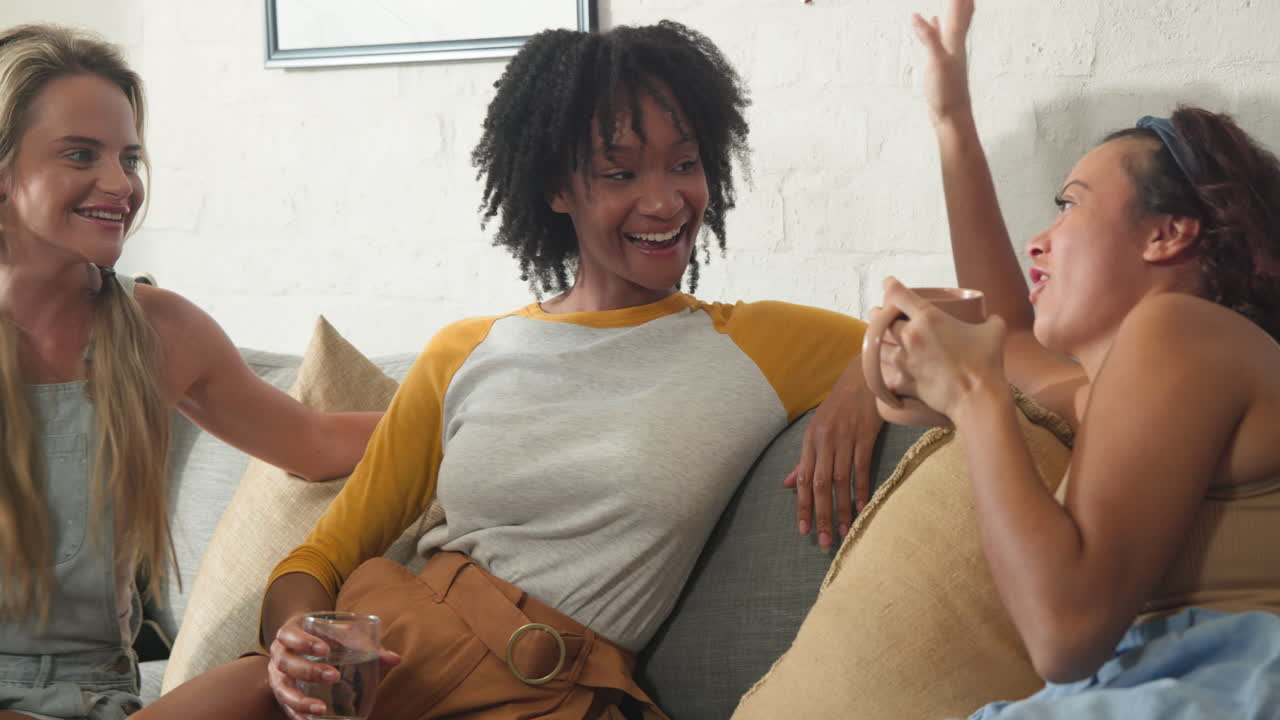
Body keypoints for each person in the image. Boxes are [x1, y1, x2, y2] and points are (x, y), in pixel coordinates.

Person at [142, 19, 882, 720]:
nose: (664, 200)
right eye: (619, 172)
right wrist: (296, 642)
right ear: (555, 189)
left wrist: (865, 376)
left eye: (684, 165)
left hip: (544, 692)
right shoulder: (464, 352)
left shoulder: (756, 345)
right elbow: (324, 553)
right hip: (380, 665)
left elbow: (968, 334)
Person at [870, 0, 1280, 715]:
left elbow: (1065, 635)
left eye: (1070, 205)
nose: (1041, 238)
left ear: (1166, 235)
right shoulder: (1119, 383)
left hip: (1223, 683)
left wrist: (974, 394)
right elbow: (1008, 333)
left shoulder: (1183, 330)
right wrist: (952, 121)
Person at [0, 24, 381, 720]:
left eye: (130, 158)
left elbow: (315, 445)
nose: (119, 185)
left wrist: (466, 409)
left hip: (103, 696)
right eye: (81, 154)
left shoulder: (158, 332)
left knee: (277, 683)